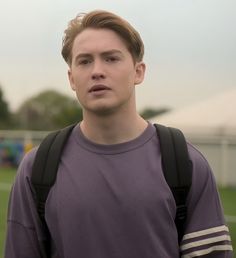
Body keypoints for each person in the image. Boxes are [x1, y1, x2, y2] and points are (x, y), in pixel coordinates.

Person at [5, 10, 233, 258]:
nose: (97, 71)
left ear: (138, 72)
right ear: (72, 78)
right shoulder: (37, 167)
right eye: (84, 61)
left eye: (111, 58)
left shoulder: (185, 163)